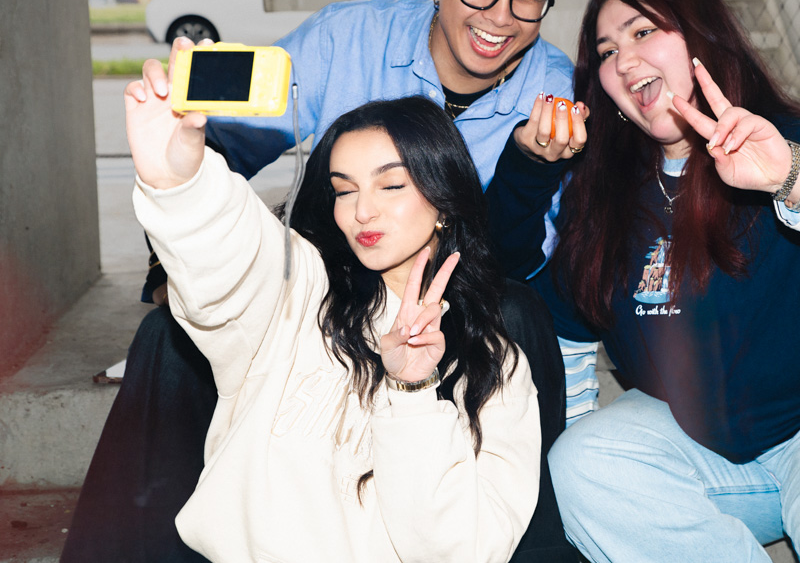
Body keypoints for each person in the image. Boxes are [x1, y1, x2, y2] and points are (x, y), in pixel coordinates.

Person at [62, 0, 587, 563]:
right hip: (318, 286)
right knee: (170, 331)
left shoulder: (552, 82)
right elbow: (229, 137)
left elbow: (514, 255)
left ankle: (529, 537)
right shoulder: (349, 35)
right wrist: (181, 254)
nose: (500, 16)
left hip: (453, 290)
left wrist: (530, 167)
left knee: (517, 313)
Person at [488, 0, 800, 562]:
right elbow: (565, 326)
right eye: (606, 52)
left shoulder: (789, 143)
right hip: (709, 448)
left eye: (643, 31)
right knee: (582, 462)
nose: (624, 60)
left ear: (702, 36)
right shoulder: (607, 195)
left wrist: (792, 178)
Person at [124, 90, 540, 562]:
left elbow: (463, 551)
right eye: (344, 189)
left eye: (391, 185)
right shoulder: (300, 291)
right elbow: (232, 262)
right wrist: (181, 186)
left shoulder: (497, 366)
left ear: (443, 199)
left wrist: (411, 392)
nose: (362, 211)